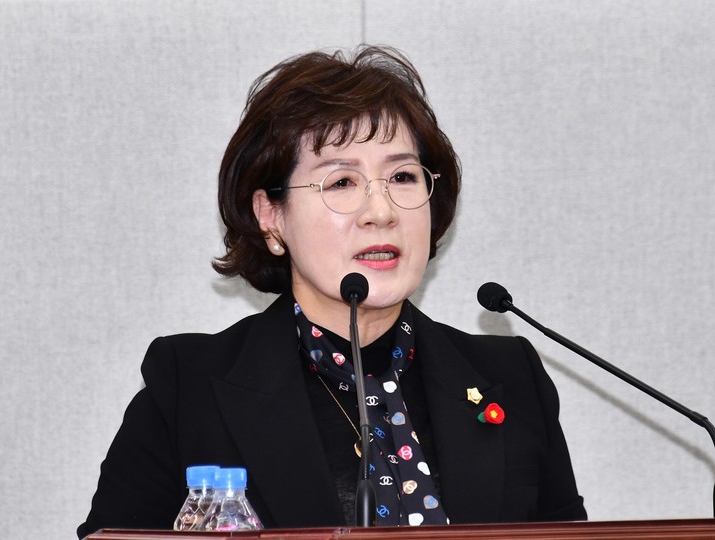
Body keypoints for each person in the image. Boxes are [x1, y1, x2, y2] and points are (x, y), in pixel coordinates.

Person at [77, 45, 586, 538]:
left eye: (402, 176)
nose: (381, 211)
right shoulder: (188, 388)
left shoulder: (511, 377)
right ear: (270, 216)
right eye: (341, 182)